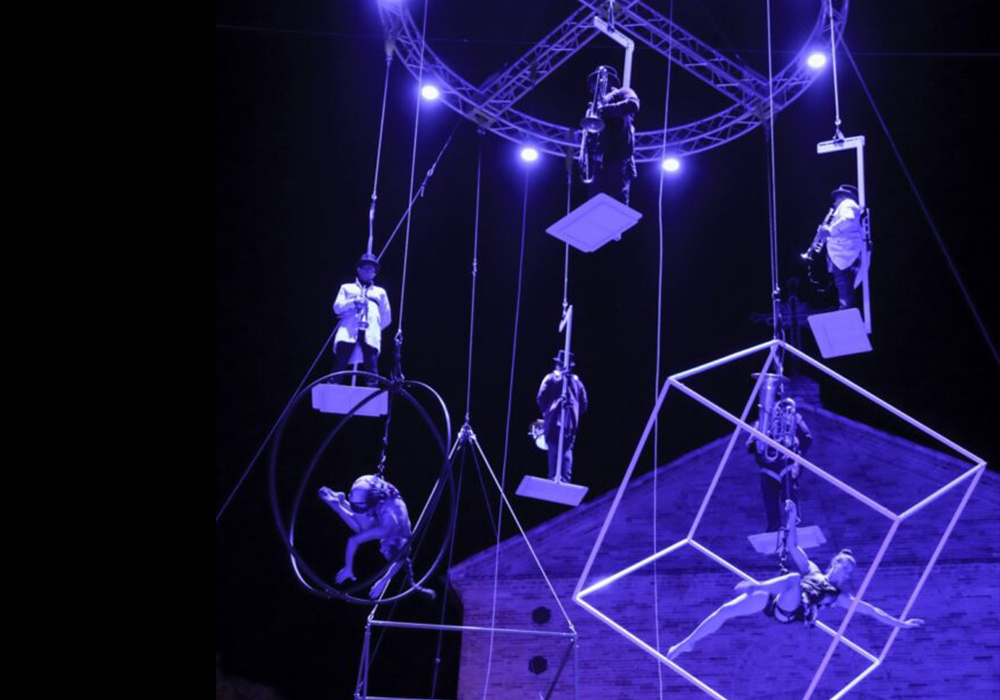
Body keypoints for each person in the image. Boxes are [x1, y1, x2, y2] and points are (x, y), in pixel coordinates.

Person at [667, 500, 924, 660]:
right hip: (775, 598)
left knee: (792, 579)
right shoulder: (812, 569)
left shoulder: (838, 596)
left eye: (849, 573)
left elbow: (871, 611)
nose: (846, 575)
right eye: (845, 568)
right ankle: (685, 644)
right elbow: (792, 546)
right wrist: (790, 518)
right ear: (835, 564)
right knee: (725, 610)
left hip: (791, 609)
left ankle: (756, 586)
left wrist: (900, 624)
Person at [318, 474, 433, 600]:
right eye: (384, 550)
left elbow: (400, 559)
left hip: (372, 483)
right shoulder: (385, 531)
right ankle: (336, 504)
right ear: (391, 543)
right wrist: (348, 568)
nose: (381, 550)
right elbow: (353, 541)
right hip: (361, 491)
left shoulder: (406, 535)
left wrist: (383, 581)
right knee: (362, 530)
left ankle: (340, 501)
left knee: (371, 523)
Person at [747, 375, 813, 532]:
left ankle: (793, 527)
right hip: (767, 468)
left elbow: (807, 438)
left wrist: (797, 456)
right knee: (770, 503)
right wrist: (760, 441)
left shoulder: (793, 415)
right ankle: (773, 529)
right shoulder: (760, 423)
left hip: (787, 464)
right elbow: (749, 446)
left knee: (790, 499)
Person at [331, 253, 392, 385]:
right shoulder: (346, 288)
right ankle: (333, 385)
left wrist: (375, 327)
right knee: (341, 361)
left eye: (372, 269)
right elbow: (337, 308)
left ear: (375, 273)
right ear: (359, 269)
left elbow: (386, 316)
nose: (368, 271)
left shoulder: (380, 292)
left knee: (371, 365)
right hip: (349, 330)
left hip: (370, 332)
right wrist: (353, 302)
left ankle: (372, 390)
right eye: (365, 268)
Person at [584, 65, 640, 205]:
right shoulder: (594, 106)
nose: (591, 88)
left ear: (607, 81)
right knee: (594, 205)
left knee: (617, 203)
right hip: (598, 162)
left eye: (594, 83)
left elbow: (633, 104)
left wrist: (605, 109)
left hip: (618, 157)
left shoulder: (623, 92)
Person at [536, 350, 589, 482]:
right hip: (569, 423)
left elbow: (541, 398)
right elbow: (584, 403)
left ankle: (554, 479)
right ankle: (564, 480)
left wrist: (548, 411)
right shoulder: (577, 382)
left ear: (558, 364)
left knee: (555, 451)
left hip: (554, 421)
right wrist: (574, 413)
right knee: (566, 452)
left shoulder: (551, 378)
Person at [817, 184, 865, 310]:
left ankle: (847, 313)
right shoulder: (844, 207)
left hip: (846, 256)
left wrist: (829, 230)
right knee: (844, 289)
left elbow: (848, 219)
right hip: (842, 256)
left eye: (836, 198)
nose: (834, 202)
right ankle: (845, 311)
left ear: (843, 196)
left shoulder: (848, 203)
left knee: (845, 289)